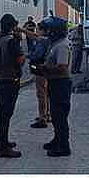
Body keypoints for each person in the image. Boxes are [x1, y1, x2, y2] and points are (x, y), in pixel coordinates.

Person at [0, 13, 26, 158]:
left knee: (1, 113)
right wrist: (18, 42)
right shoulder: (11, 41)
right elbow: (20, 60)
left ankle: (2, 142)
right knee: (6, 113)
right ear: (12, 26)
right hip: (10, 79)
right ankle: (3, 148)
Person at [39, 16, 74, 157]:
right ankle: (57, 140)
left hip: (61, 84)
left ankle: (64, 146)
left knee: (60, 116)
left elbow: (63, 68)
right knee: (55, 115)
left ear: (55, 31)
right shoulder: (56, 43)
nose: (47, 33)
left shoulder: (62, 46)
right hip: (55, 83)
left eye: (49, 30)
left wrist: (45, 69)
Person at [25, 19, 50, 129]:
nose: (36, 31)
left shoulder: (42, 41)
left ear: (42, 30)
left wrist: (28, 56)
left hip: (40, 70)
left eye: (38, 30)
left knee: (41, 94)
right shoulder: (48, 39)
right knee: (46, 93)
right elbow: (34, 36)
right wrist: (23, 30)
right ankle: (47, 114)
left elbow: (37, 55)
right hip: (47, 69)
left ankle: (42, 118)